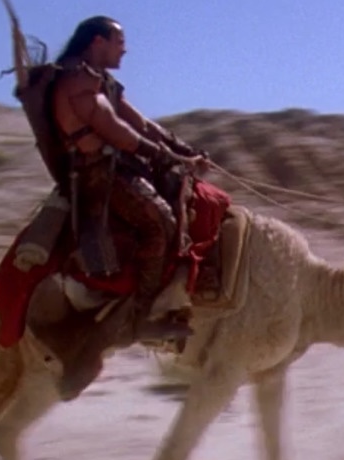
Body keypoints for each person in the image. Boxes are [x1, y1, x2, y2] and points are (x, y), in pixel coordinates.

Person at [51, 15, 208, 341]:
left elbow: (141, 124)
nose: (125, 50)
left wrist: (182, 147)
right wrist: (166, 156)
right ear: (98, 42)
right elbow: (116, 130)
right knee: (159, 224)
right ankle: (141, 318)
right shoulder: (77, 79)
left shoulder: (99, 80)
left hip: (118, 168)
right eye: (119, 42)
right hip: (98, 174)